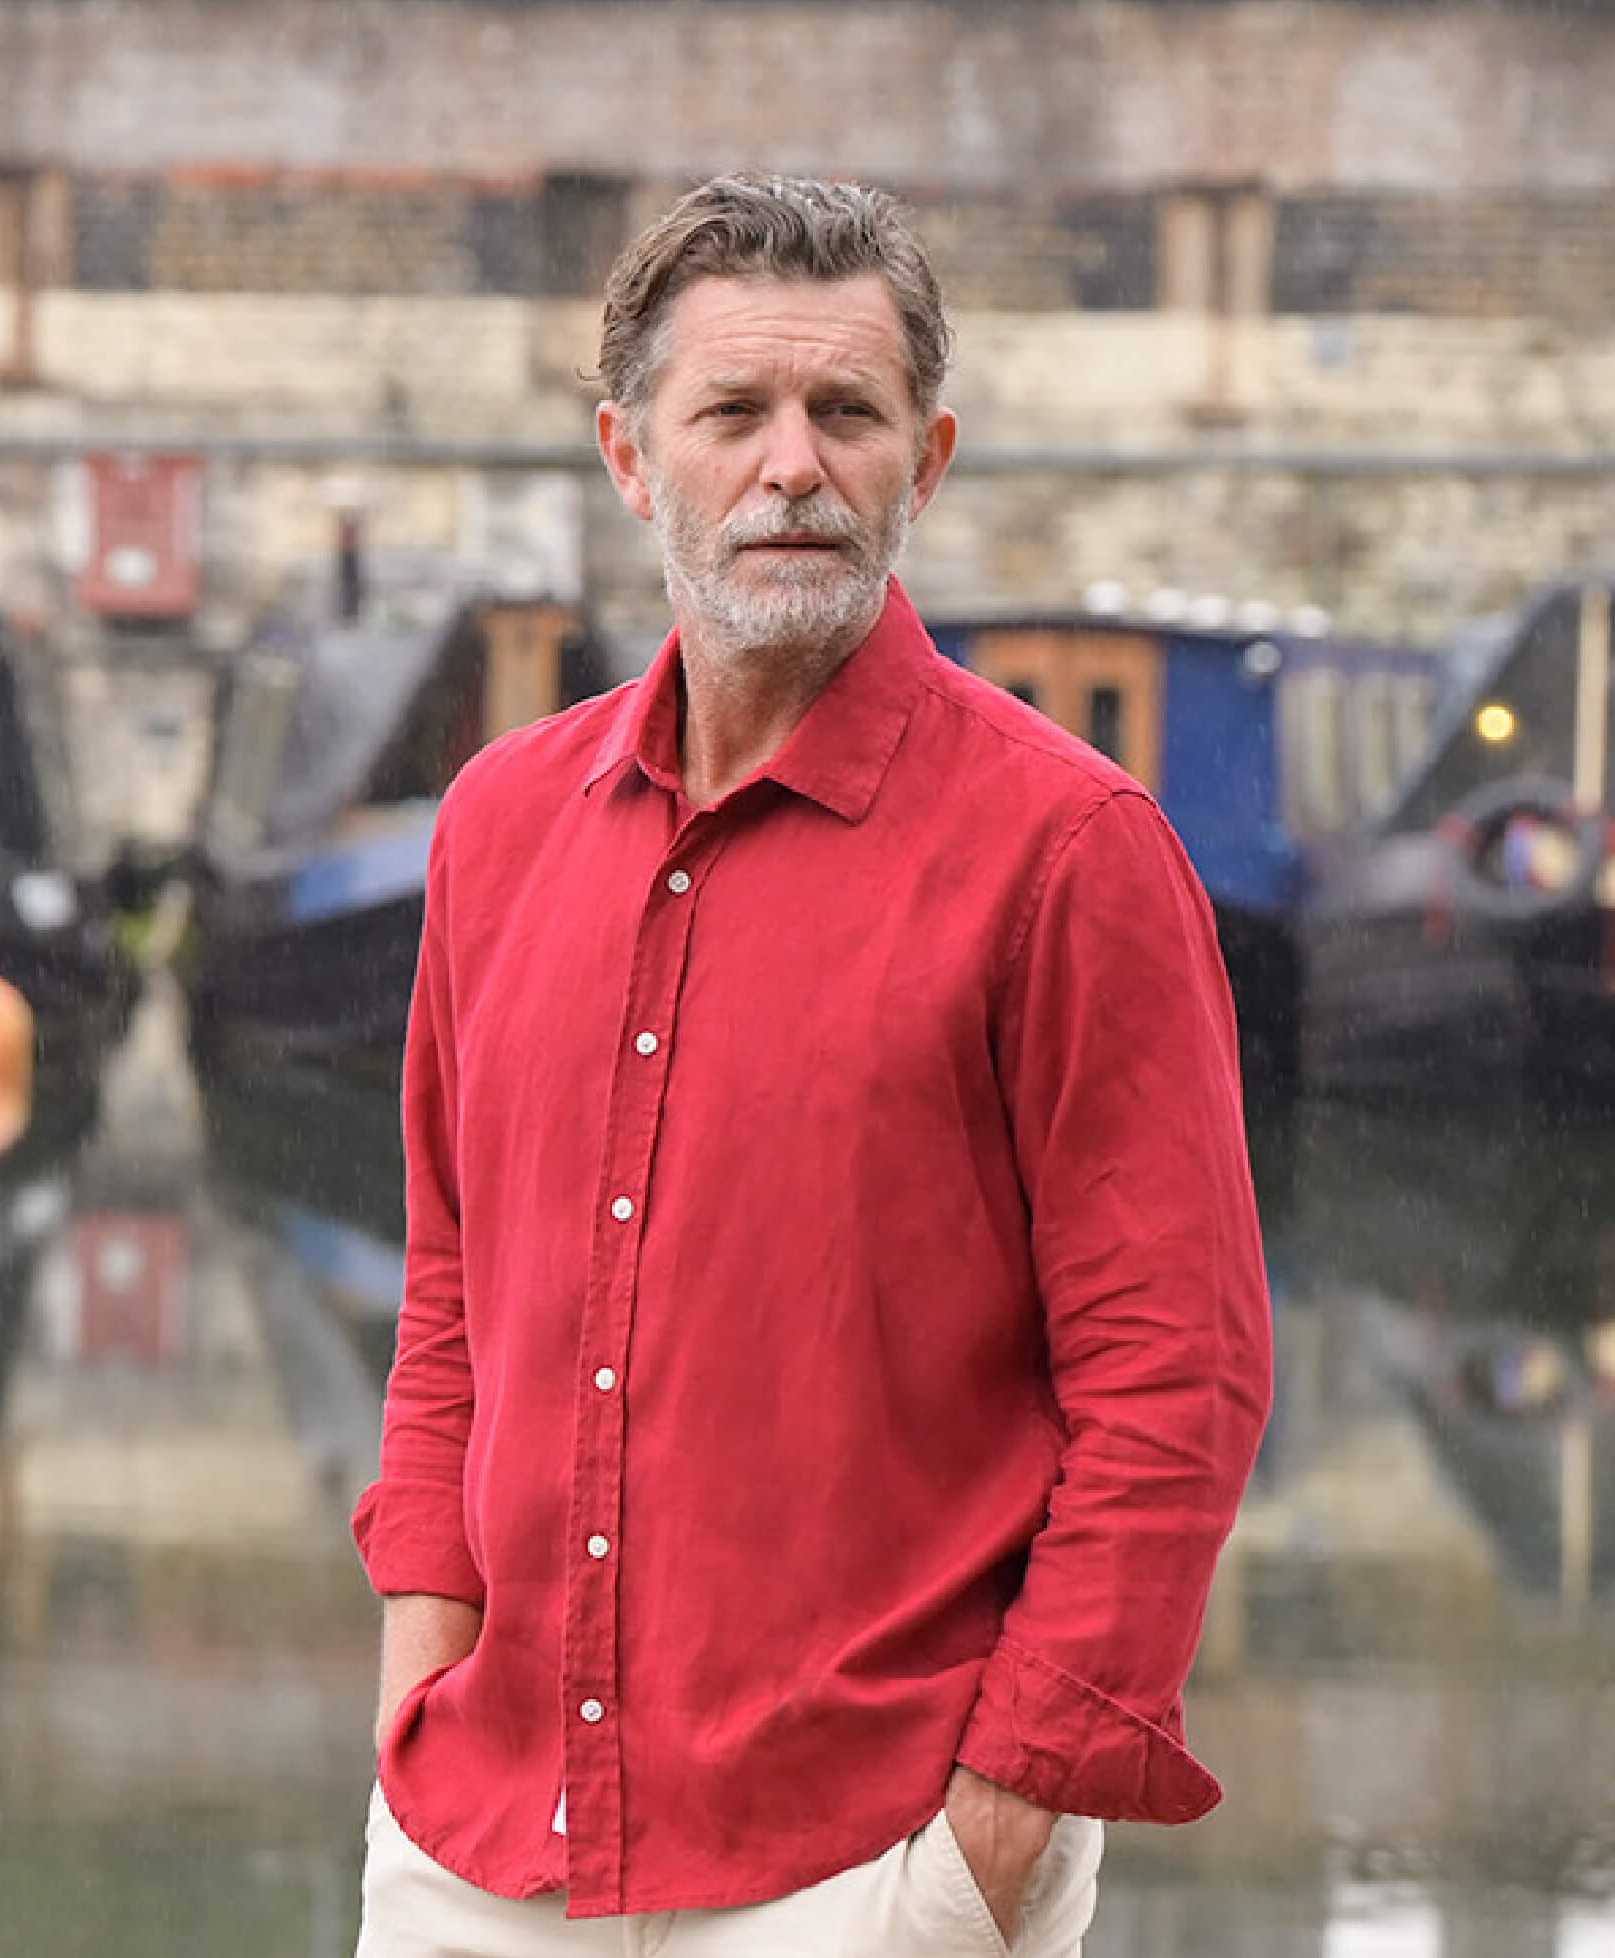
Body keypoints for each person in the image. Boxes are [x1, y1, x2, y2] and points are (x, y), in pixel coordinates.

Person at [352, 172, 1274, 1958]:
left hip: (868, 1871)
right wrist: (419, 1683)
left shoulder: (1071, 855)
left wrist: (981, 1853)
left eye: (847, 414)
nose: (794, 465)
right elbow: (452, 1292)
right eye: (735, 413)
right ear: (632, 458)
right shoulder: (496, 825)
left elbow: (1178, 1382)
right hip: (480, 1847)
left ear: (924, 462)